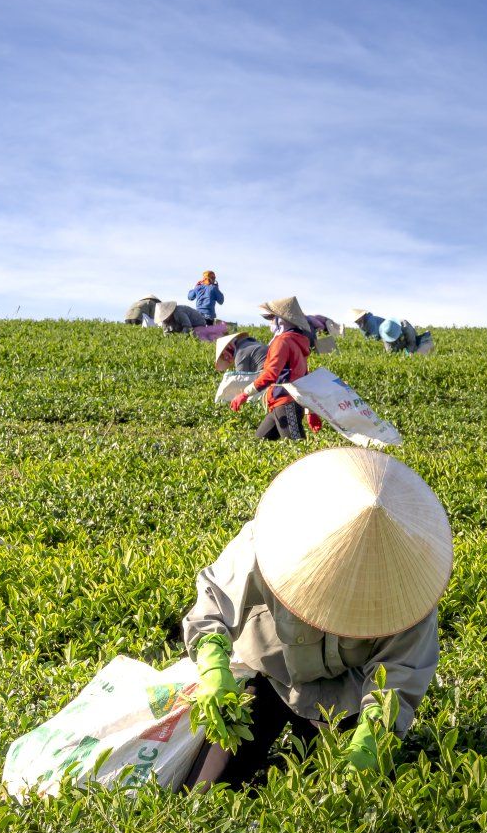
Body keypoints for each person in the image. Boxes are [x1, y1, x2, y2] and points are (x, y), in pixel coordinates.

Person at [181, 447, 451, 787]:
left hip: (345, 694)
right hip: (270, 674)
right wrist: (213, 666)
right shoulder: (270, 539)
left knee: (346, 797)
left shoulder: (411, 591)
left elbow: (398, 677)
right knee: (206, 789)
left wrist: (371, 737)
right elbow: (215, 601)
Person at [232, 296, 319, 440]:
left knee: (297, 448)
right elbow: (304, 378)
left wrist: (245, 394)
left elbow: (271, 374)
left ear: (282, 320)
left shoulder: (282, 341)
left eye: (273, 318)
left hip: (286, 402)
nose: (271, 322)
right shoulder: (297, 341)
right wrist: (310, 411)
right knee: (259, 442)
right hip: (279, 404)